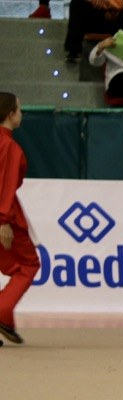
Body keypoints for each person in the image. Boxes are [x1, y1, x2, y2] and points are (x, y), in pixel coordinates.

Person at [0, 93, 39, 346]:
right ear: (11, 114)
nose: (21, 114)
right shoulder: (9, 147)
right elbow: (5, 184)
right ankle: (2, 312)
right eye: (20, 109)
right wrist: (2, 221)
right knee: (27, 264)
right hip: (6, 215)